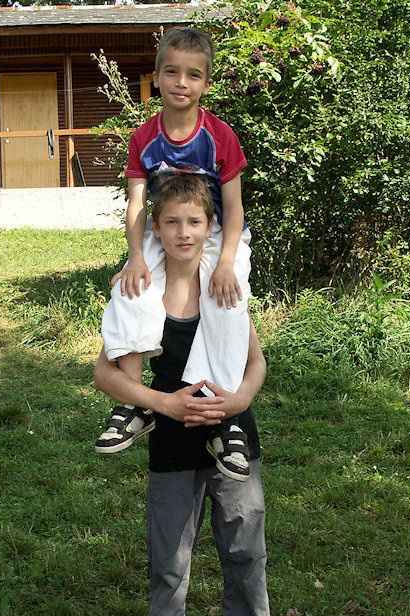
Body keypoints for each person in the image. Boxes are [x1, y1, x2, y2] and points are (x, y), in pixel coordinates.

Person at [94, 175, 282, 616]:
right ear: (154, 228)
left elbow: (255, 363)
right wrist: (164, 404)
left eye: (194, 222)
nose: (183, 232)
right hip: (172, 443)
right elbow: (106, 372)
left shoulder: (224, 284)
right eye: (171, 221)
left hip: (232, 438)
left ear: (210, 228)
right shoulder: (140, 287)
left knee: (245, 556)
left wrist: (236, 402)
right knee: (170, 567)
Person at [96, 27, 253, 482]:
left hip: (214, 231)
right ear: (157, 76)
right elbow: (137, 204)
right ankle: (133, 401)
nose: (181, 82)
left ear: (206, 83)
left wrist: (226, 262)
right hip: (163, 229)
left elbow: (234, 207)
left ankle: (224, 418)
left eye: (193, 75)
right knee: (131, 290)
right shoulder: (144, 137)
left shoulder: (220, 135)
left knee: (227, 299)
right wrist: (135, 258)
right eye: (172, 72)